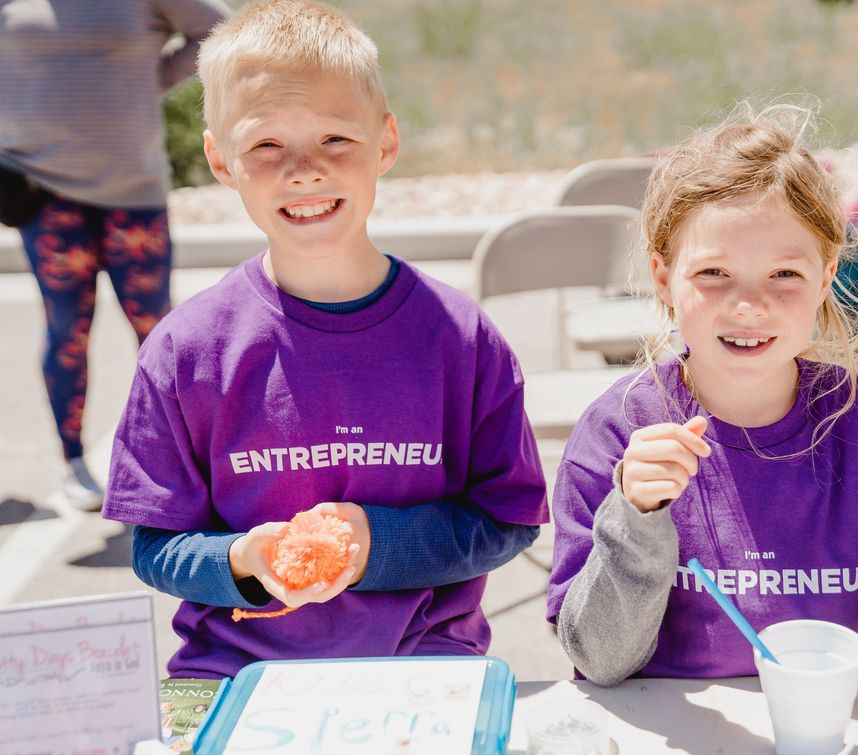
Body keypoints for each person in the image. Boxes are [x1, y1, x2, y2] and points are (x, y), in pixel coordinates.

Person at [102, 0, 548, 679]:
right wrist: (242, 562)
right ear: (221, 162)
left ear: (386, 143)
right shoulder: (185, 349)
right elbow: (155, 546)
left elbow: (508, 518)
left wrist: (378, 545)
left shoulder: (460, 338)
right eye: (266, 146)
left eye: (336, 139)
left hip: (425, 661)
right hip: (232, 670)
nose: (304, 169)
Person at [546, 105, 858, 689]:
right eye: (713, 273)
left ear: (826, 274)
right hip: (673, 752)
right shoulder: (617, 432)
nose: (748, 305)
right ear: (663, 279)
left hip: (832, 742)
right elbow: (599, 660)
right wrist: (635, 519)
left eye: (784, 274)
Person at [0, 0, 230, 511]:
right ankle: (73, 464)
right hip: (41, 190)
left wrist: (152, 78)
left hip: (134, 191)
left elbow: (219, 30)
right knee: (67, 327)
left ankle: (183, 464)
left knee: (159, 330)